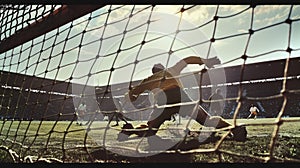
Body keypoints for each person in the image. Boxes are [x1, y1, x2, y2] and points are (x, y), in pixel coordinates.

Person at [120, 56, 247, 141]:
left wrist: (129, 99)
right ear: (163, 68)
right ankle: (235, 129)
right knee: (206, 119)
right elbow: (186, 60)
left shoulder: (148, 80)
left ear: (153, 72)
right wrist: (204, 61)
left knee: (150, 130)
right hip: (180, 97)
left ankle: (129, 130)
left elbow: (132, 95)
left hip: (163, 104)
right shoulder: (171, 70)